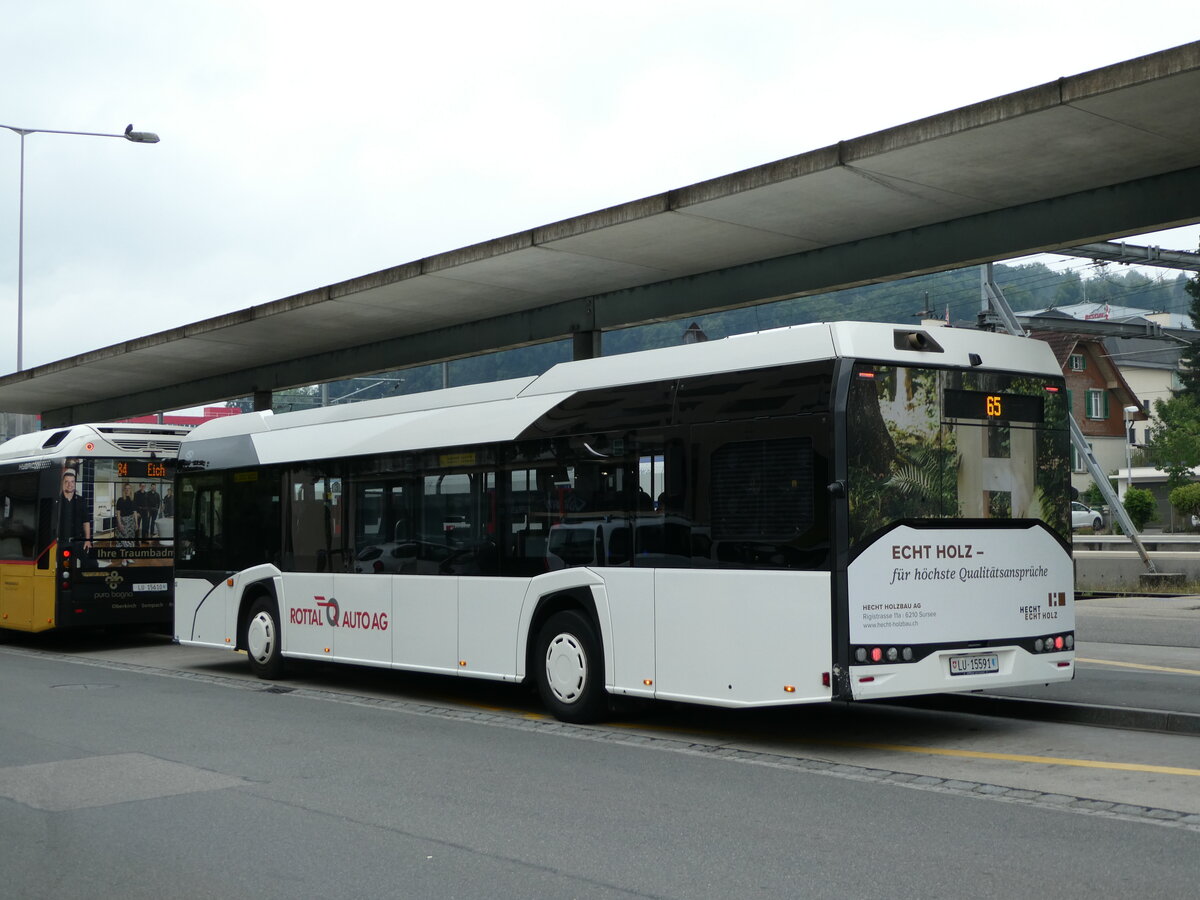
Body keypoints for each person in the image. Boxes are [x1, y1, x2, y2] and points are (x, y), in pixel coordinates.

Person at [58, 467, 92, 555]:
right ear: (62, 483)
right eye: (67, 482)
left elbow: (86, 522)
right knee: (64, 567)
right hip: (60, 543)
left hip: (78, 542)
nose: (70, 484)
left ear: (75, 483)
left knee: (92, 564)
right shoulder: (57, 501)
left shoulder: (81, 500)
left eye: (72, 482)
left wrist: (87, 540)